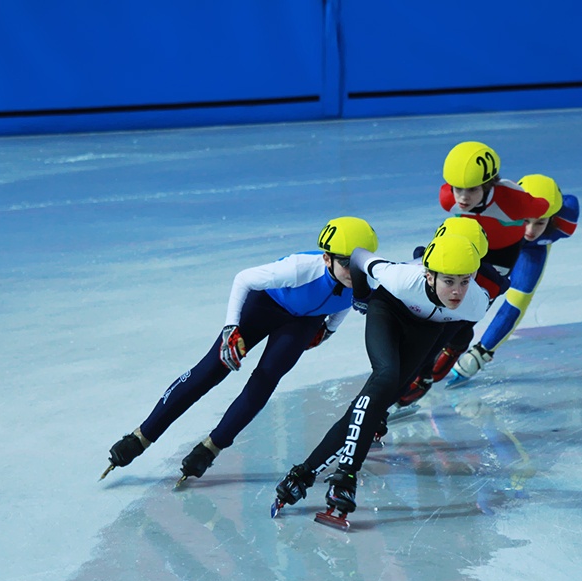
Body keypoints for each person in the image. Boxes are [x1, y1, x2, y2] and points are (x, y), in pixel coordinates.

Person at [100, 216, 379, 482]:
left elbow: (347, 303)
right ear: (327, 258)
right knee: (212, 369)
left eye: (358, 264)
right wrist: (230, 329)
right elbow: (243, 279)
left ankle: (211, 448)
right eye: (346, 264)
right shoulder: (299, 268)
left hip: (303, 323)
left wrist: (329, 328)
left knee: (266, 380)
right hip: (266, 305)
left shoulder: (363, 278)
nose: (354, 273)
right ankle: (141, 436)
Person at [273, 233, 490, 518]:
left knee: (378, 401)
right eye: (448, 281)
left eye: (464, 281)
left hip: (426, 330)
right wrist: (362, 297)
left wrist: (424, 370)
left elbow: (449, 334)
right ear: (428, 275)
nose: (457, 292)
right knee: (385, 377)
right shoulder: (402, 277)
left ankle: (303, 474)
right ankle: (345, 477)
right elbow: (360, 256)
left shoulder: (476, 302)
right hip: (389, 309)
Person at [397, 142, 550, 404]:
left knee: (467, 310)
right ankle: (426, 364)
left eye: (471, 189)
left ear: (489, 185)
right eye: (458, 189)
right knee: (437, 304)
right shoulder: (449, 198)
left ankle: (456, 343)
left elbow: (543, 206)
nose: (463, 198)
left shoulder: (514, 201)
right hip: (467, 244)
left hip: (501, 254)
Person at [450, 173, 580, 384]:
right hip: (503, 241)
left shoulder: (566, 220)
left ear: (553, 219)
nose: (530, 231)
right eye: (526, 220)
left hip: (531, 253)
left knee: (519, 298)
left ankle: (481, 353)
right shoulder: (501, 207)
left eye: (540, 223)